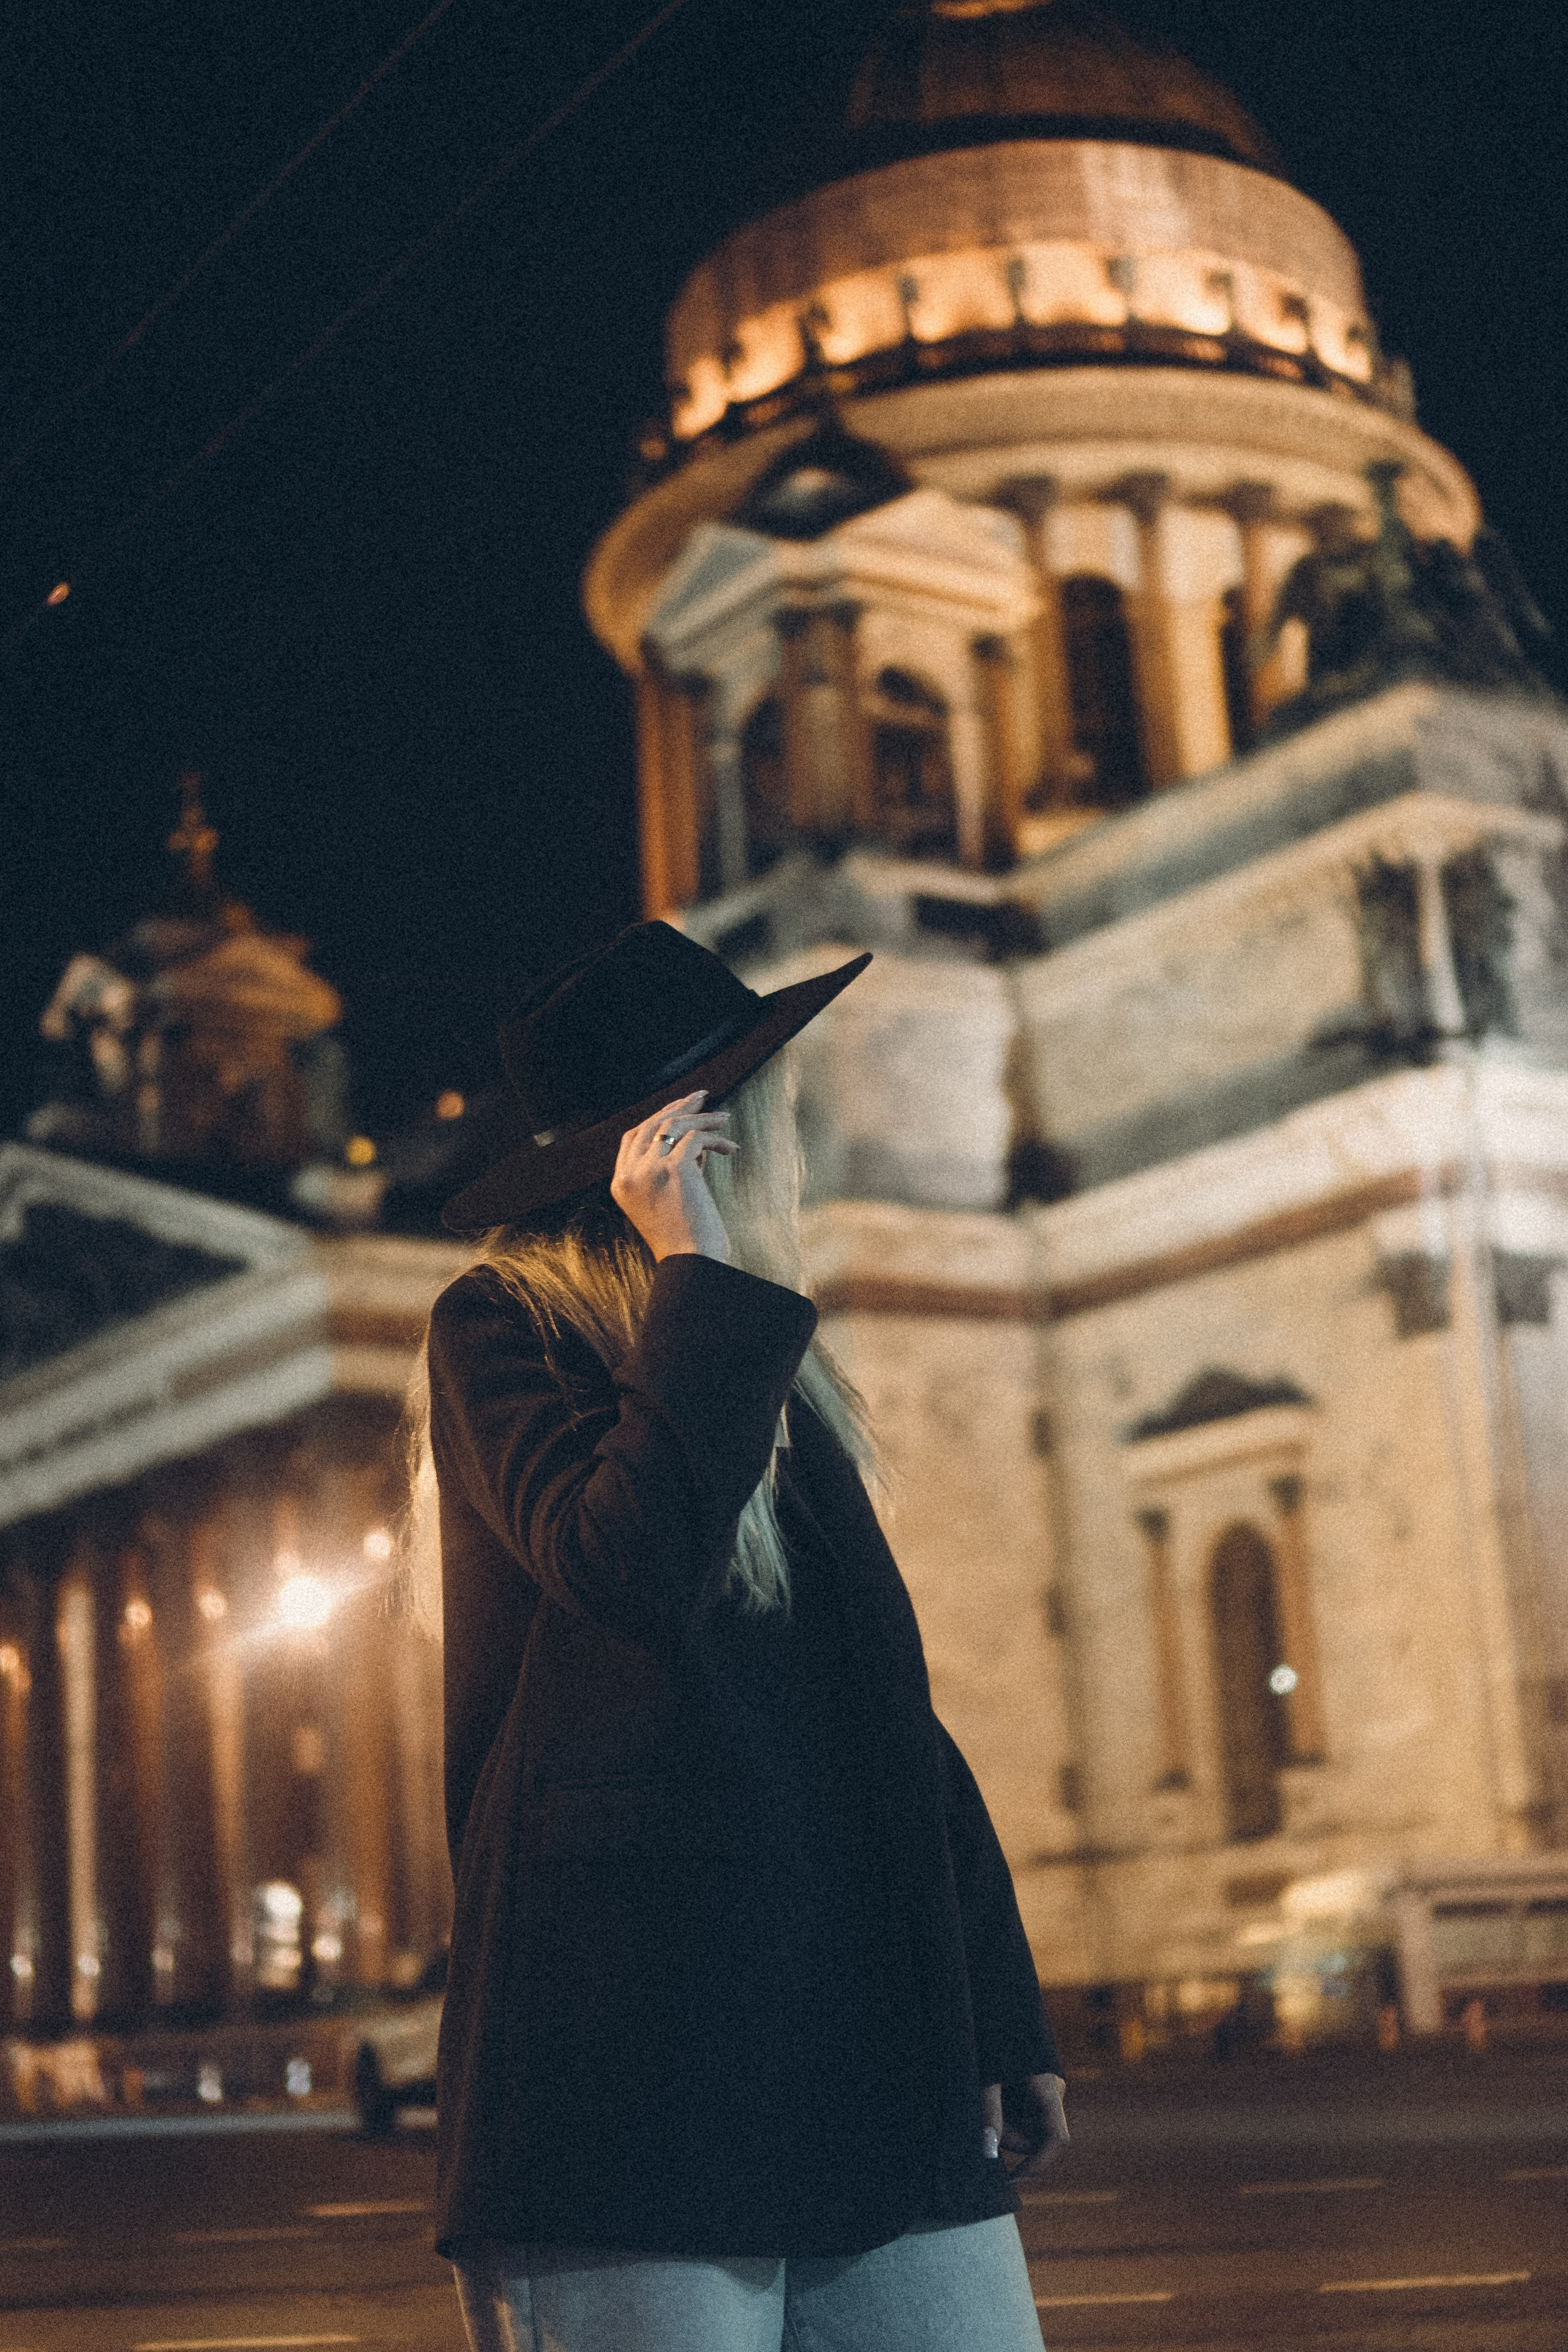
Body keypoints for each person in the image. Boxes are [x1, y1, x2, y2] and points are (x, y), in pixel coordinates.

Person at [407, 919, 1068, 2352]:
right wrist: (693, 1281)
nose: (789, 1128)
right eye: (756, 1094)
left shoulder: (773, 1362)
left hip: (865, 2028)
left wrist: (997, 2011)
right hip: (627, 2058)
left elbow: (885, 1705)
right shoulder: (502, 1328)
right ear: (679, 1137)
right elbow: (625, 1566)